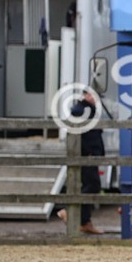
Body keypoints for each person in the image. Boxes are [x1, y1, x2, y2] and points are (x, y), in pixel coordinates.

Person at [55, 92, 104, 234]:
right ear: (86, 95)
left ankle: (85, 221)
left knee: (90, 186)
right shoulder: (80, 111)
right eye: (93, 96)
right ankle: (70, 211)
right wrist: (87, 151)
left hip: (90, 154)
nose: (96, 99)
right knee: (92, 185)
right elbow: (79, 132)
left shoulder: (87, 111)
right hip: (87, 155)